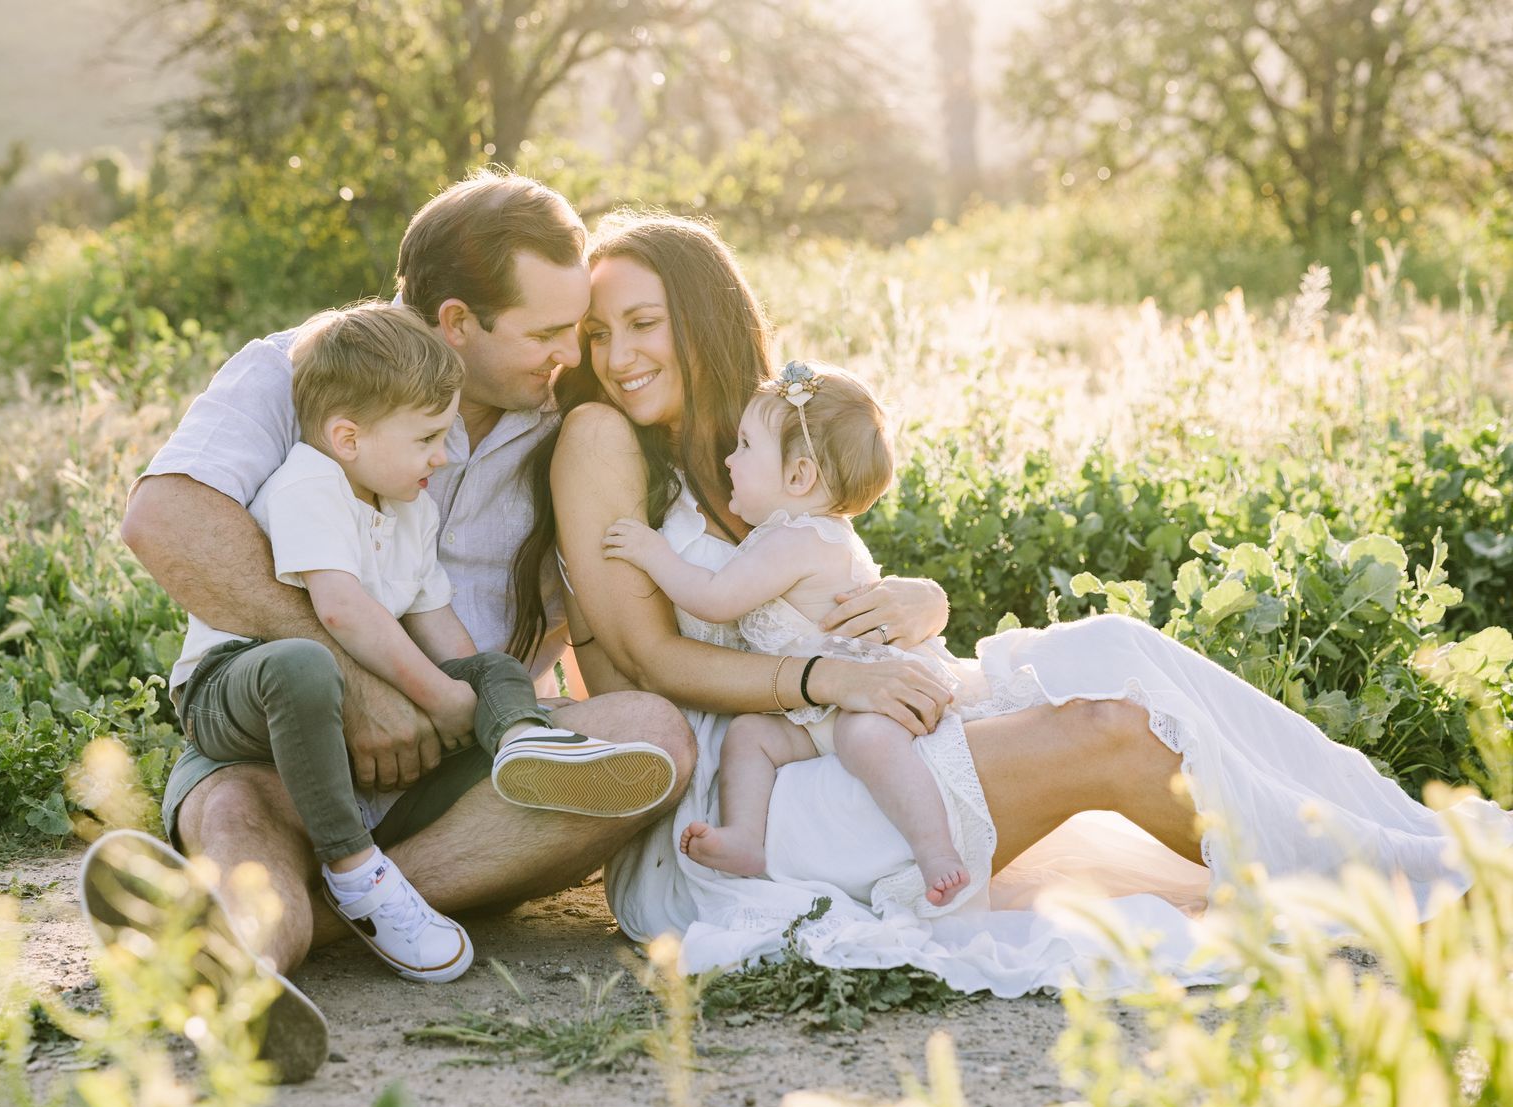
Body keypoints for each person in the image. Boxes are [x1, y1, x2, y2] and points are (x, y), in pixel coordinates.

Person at [544, 209, 1507, 990]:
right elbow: (654, 661)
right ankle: (1407, 890)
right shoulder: (603, 440)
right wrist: (828, 676)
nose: (617, 353)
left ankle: (1419, 842)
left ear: (704, 317)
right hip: (739, 800)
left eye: (642, 322)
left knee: (1121, 648)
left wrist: (916, 602)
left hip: (828, 731)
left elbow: (830, 579)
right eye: (597, 332)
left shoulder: (760, 444)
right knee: (1110, 733)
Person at [167, 301, 677, 986]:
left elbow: (438, 623)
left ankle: (522, 742)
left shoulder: (408, 503)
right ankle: (346, 874)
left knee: (494, 668)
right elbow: (343, 612)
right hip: (248, 694)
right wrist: (439, 697)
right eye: (429, 438)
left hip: (384, 746)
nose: (443, 454)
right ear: (349, 439)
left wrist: (476, 702)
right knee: (303, 663)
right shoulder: (311, 481)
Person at [601, 358, 982, 911]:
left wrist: (652, 553)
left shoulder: (798, 539)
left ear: (799, 477)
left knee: (866, 740)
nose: (730, 460)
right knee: (749, 736)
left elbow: (714, 597)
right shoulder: (790, 534)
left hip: (865, 695)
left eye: (746, 447)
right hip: (818, 706)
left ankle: (937, 850)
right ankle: (745, 840)